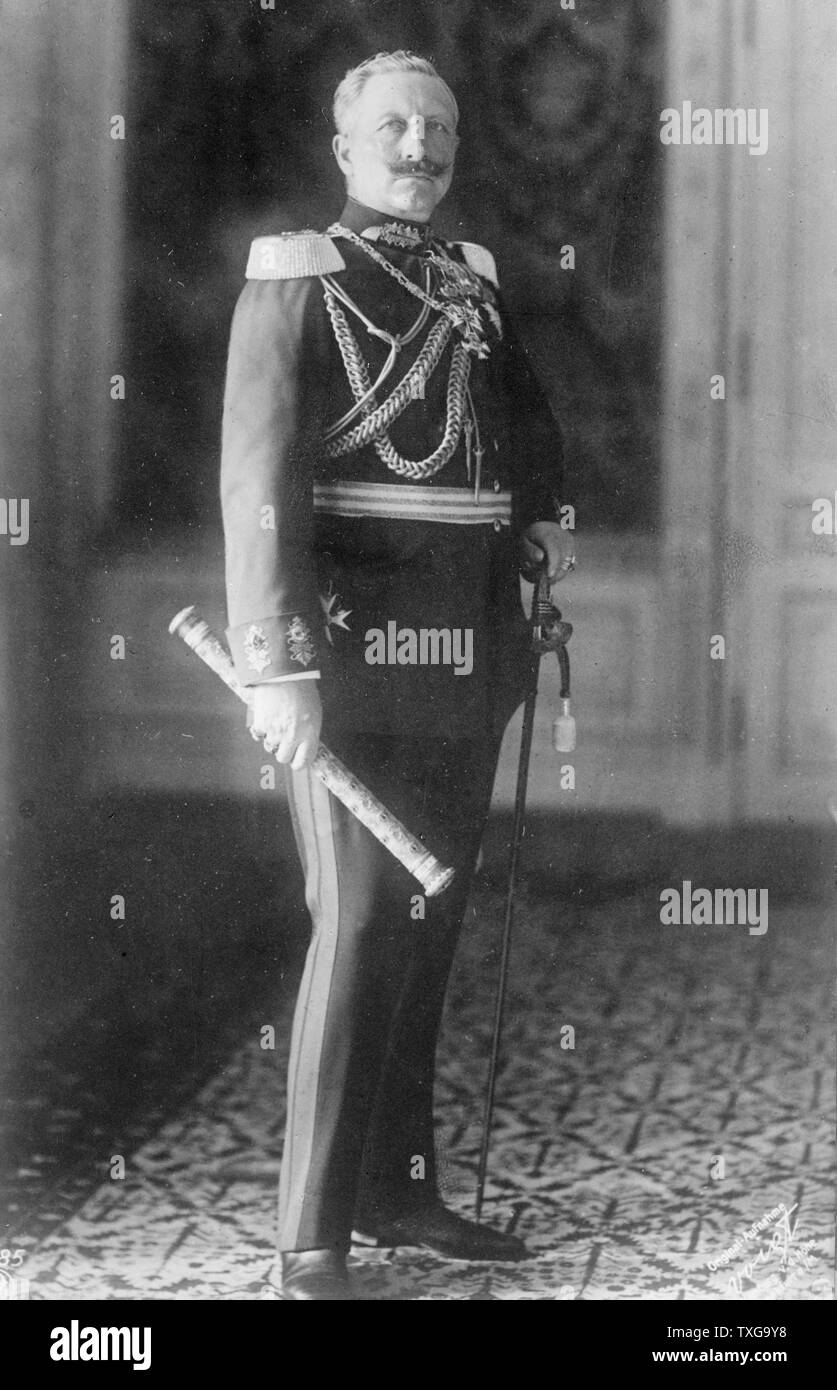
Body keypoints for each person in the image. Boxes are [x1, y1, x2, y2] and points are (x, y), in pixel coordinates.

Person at [220, 49, 575, 1300]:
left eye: (439, 128)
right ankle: (309, 1237)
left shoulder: (472, 282)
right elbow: (257, 486)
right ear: (344, 149)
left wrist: (545, 511)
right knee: (362, 920)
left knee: (428, 928)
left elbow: (521, 425)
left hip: (471, 650)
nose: (420, 146)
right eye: (395, 125)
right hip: (352, 657)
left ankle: (399, 1188)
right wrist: (278, 666)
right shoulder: (297, 276)